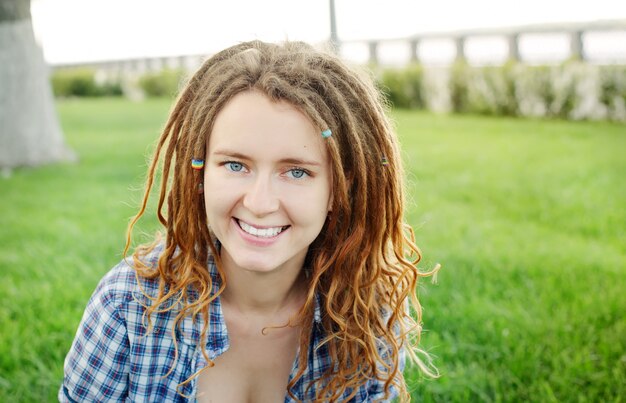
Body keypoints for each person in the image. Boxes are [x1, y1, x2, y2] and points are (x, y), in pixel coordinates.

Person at [59, 40, 438, 402]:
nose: (259, 203)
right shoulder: (125, 305)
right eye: (235, 165)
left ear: (339, 190)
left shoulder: (369, 318)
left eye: (297, 172)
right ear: (202, 170)